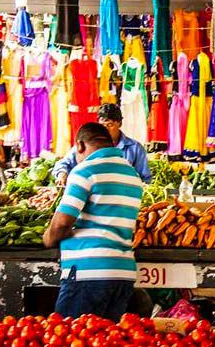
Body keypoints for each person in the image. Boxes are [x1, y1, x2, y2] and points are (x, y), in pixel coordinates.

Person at [44, 122, 143, 321]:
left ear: (79, 146)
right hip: (122, 274)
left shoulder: (85, 171)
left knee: (71, 337)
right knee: (106, 339)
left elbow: (62, 222)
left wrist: (48, 237)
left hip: (88, 273)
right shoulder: (132, 175)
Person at [53, 103, 151, 184]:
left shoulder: (135, 148)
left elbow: (145, 179)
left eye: (110, 125)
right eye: (102, 125)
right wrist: (62, 174)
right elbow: (63, 163)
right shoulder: (87, 144)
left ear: (120, 124)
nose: (105, 130)